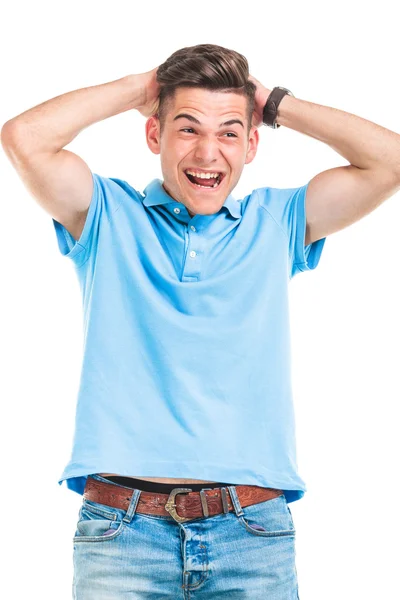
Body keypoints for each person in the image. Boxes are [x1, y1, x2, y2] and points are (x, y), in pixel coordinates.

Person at [2, 43, 399, 599]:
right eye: (187, 129)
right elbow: (23, 138)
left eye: (229, 132)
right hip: (121, 534)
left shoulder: (278, 221)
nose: (208, 151)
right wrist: (144, 89)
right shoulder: (106, 213)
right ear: (153, 135)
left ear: (252, 143)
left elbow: (392, 160)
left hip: (252, 531)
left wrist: (274, 102)